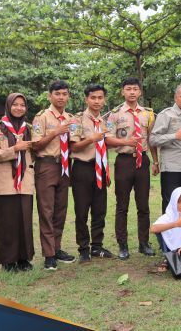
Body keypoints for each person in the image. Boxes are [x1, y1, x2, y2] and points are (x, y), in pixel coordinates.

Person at [105, 77, 159, 259]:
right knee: (122, 205)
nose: (132, 92)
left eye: (135, 89)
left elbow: (151, 139)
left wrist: (155, 161)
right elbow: (107, 139)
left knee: (143, 205)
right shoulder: (115, 114)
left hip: (142, 161)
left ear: (140, 92)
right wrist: (124, 141)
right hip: (124, 161)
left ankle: (144, 243)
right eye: (128, 89)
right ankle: (123, 245)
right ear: (123, 92)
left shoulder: (148, 114)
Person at [32, 80, 77, 270]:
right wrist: (56, 132)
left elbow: (74, 143)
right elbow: (35, 145)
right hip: (46, 166)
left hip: (65, 167)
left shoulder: (71, 118)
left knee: (60, 210)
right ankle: (48, 254)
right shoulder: (41, 117)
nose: (61, 97)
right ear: (50, 95)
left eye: (64, 94)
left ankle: (57, 248)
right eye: (57, 93)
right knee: (46, 210)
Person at [0, 93, 34, 273]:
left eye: (22, 105)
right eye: (15, 104)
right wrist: (15, 148)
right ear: (8, 106)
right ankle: (8, 261)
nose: (19, 108)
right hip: (5, 181)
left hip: (25, 180)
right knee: (7, 222)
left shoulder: (28, 128)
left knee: (25, 220)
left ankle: (23, 258)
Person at [69, 84, 114, 262]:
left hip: (100, 168)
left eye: (100, 98)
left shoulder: (104, 121)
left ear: (104, 100)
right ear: (86, 99)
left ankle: (97, 245)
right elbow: (73, 147)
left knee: (99, 209)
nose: (97, 101)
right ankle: (83, 248)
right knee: (81, 210)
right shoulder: (77, 120)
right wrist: (91, 139)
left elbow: (107, 144)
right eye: (93, 98)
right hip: (83, 167)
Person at [149, 83, 181, 218]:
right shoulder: (166, 115)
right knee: (170, 203)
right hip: (173, 167)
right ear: (175, 97)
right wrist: (174, 136)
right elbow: (153, 139)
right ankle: (167, 236)